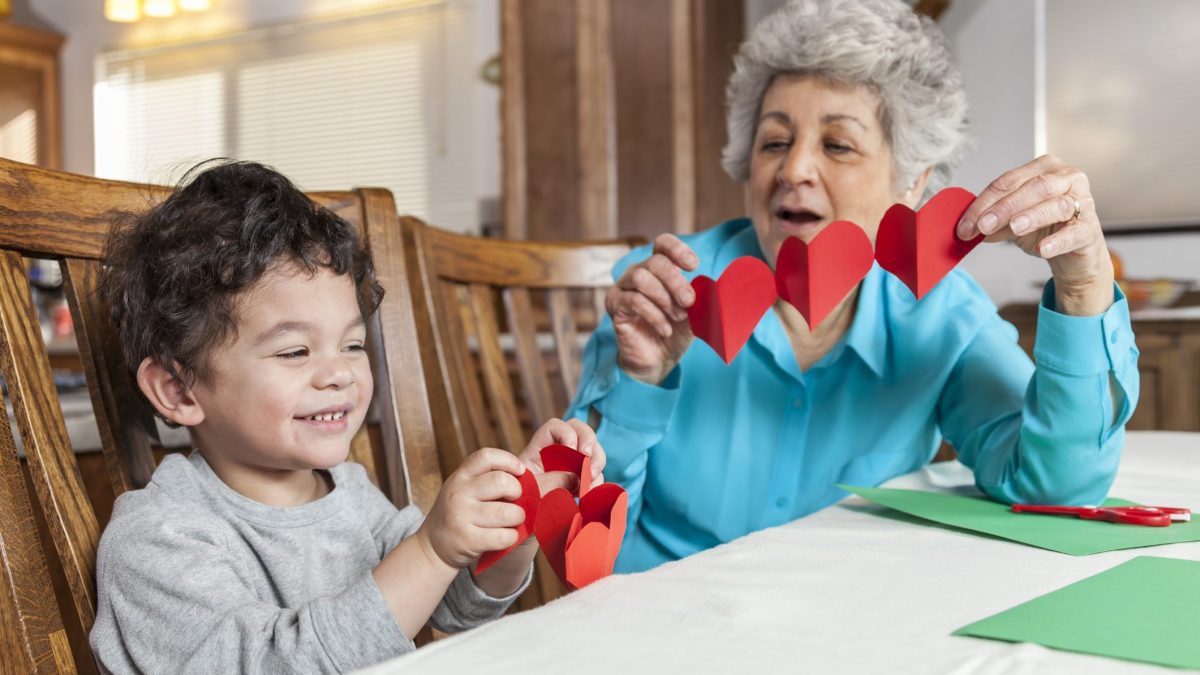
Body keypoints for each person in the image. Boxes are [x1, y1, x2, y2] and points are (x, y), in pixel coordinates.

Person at [567, 0, 1138, 573]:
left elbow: (1053, 490)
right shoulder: (666, 295)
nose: (793, 171)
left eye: (836, 144)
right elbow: (581, 538)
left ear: (911, 182)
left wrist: (1085, 285)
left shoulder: (942, 314)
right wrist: (641, 380)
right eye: (773, 142)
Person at [90, 160, 605, 673]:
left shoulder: (350, 493)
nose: (339, 373)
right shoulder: (158, 538)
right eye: (294, 352)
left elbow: (456, 607)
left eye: (353, 344)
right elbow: (276, 665)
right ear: (178, 389)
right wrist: (429, 553)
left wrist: (522, 515)